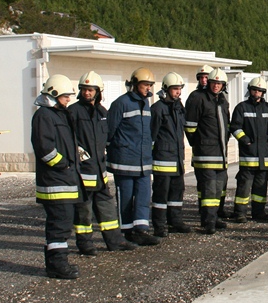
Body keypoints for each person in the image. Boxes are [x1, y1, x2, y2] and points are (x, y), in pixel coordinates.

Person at [68, 71, 134, 255]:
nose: (87, 92)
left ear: (98, 91)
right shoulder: (73, 112)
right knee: (84, 211)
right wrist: (80, 155)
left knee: (107, 209)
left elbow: (108, 137)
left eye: (91, 90)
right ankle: (85, 245)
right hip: (83, 172)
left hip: (100, 172)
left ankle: (115, 241)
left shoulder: (102, 112)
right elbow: (68, 139)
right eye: (84, 89)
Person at [31, 74, 83, 279]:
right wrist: (64, 165)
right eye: (65, 95)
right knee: (59, 225)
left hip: (64, 180)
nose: (69, 99)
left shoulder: (59, 114)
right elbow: (45, 149)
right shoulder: (44, 116)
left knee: (64, 223)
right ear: (54, 93)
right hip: (55, 182)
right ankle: (56, 265)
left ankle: (59, 263)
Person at [107, 67, 160, 246]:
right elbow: (109, 131)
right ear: (135, 84)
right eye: (145, 85)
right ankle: (127, 231)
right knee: (126, 198)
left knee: (144, 196)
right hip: (125, 161)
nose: (148, 88)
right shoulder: (121, 103)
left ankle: (141, 230)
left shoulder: (146, 103)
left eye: (150, 85)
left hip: (143, 161)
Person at [185, 67, 231, 234]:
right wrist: (198, 144)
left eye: (219, 84)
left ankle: (214, 217)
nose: (216, 86)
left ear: (223, 85)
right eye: (213, 83)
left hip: (220, 154)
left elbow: (226, 125)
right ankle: (208, 222)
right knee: (209, 189)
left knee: (219, 188)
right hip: (205, 153)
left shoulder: (222, 101)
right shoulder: (199, 98)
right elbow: (190, 126)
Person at [229, 75, 268, 223]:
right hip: (248, 156)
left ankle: (258, 213)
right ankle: (240, 213)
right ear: (250, 90)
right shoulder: (242, 107)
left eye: (259, 91)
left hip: (264, 157)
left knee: (261, 188)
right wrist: (244, 140)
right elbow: (235, 127)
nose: (257, 93)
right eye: (254, 90)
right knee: (244, 187)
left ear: (263, 92)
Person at [150, 72, 190, 236]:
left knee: (177, 192)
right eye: (175, 89)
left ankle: (175, 221)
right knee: (161, 194)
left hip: (177, 160)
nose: (178, 92)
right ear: (166, 89)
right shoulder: (157, 109)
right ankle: (159, 225)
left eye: (179, 89)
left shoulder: (179, 108)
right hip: (163, 161)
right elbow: (151, 136)